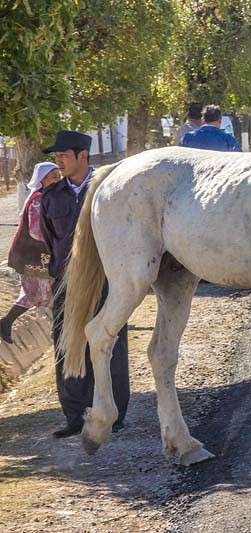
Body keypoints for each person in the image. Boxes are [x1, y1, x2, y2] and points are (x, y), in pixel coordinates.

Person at [41, 130, 130, 439]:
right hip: (66, 281)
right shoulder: (51, 196)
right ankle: (74, 416)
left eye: (64, 155)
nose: (58, 161)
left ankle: (114, 412)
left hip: (106, 278)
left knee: (111, 344)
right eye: (56, 156)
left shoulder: (110, 191)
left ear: (83, 156)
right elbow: (51, 241)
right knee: (66, 345)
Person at [1, 162, 61, 343]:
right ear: (42, 180)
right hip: (31, 256)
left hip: (37, 256)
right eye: (53, 177)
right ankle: (5, 323)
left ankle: (58, 330)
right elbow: (36, 230)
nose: (58, 180)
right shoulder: (38, 199)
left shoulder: (47, 197)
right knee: (37, 294)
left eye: (59, 176)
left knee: (48, 293)